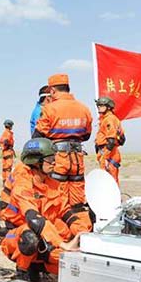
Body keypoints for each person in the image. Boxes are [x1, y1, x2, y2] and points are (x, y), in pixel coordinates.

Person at [0, 138, 84, 281]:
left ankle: (39, 266)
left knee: (70, 258)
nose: (55, 162)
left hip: (43, 232)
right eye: (50, 159)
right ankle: (23, 272)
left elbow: (66, 212)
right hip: (18, 234)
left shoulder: (52, 183)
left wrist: (81, 232)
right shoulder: (23, 182)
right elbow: (33, 218)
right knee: (30, 237)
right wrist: (62, 244)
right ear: (36, 162)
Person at [33, 74, 92, 207]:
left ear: (52, 90)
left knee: (58, 197)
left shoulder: (49, 109)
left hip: (58, 159)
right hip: (77, 159)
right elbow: (87, 135)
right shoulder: (84, 108)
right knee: (77, 200)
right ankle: (79, 224)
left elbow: (38, 136)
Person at [94, 96, 126, 184]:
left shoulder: (109, 119)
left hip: (109, 153)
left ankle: (114, 197)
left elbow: (111, 140)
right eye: (98, 105)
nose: (99, 107)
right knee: (106, 179)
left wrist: (105, 157)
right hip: (106, 152)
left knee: (110, 180)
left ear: (108, 107)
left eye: (101, 105)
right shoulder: (105, 119)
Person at [0, 119, 15, 185]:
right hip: (8, 152)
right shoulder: (8, 133)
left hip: (5, 152)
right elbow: (6, 141)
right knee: (8, 168)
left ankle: (5, 182)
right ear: (10, 126)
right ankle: (9, 182)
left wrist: (3, 148)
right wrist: (5, 147)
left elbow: (0, 142)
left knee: (5, 168)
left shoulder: (4, 133)